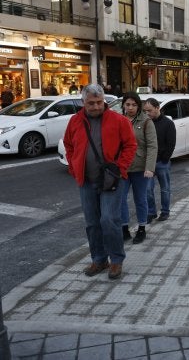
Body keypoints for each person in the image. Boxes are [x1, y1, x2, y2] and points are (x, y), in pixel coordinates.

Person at [63, 84, 137, 280]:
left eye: (98, 102)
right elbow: (68, 145)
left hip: (112, 180)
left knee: (109, 220)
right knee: (92, 222)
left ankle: (116, 260)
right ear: (83, 102)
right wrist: (73, 166)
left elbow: (130, 145)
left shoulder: (119, 120)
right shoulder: (75, 121)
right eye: (91, 103)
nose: (95, 107)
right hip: (86, 180)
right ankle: (99, 259)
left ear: (103, 100)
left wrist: (120, 168)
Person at [120, 92, 158, 244]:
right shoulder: (119, 120)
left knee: (140, 199)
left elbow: (152, 145)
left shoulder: (146, 121)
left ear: (138, 106)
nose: (130, 108)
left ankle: (141, 228)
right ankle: (124, 228)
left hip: (140, 167)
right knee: (120, 199)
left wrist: (149, 167)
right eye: (127, 104)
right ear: (123, 105)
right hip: (122, 167)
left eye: (134, 105)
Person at [143, 98, 176, 223]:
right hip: (148, 162)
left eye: (149, 110)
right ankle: (151, 212)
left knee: (165, 188)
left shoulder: (168, 123)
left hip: (162, 162)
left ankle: (165, 211)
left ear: (157, 108)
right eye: (145, 111)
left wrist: (164, 158)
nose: (147, 113)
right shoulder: (146, 122)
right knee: (147, 189)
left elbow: (171, 143)